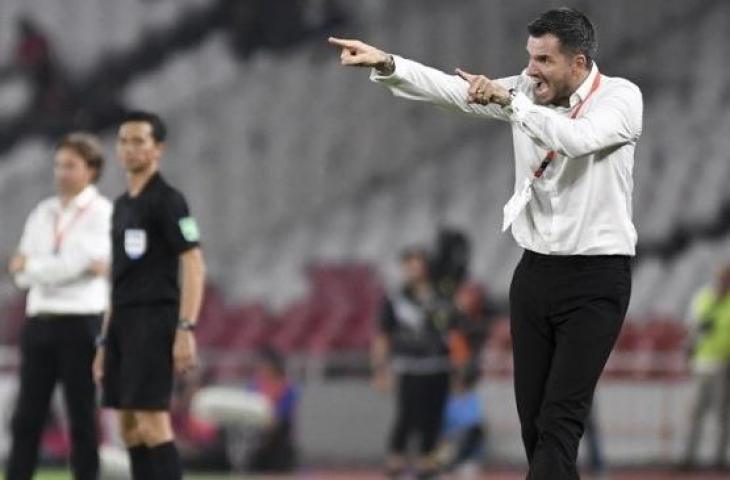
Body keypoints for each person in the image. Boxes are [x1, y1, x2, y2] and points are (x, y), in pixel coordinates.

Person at [330, 7, 642, 479]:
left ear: (578, 63)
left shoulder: (620, 98)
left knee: (561, 421)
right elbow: (454, 93)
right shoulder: (526, 90)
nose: (531, 70)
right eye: (529, 57)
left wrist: (514, 104)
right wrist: (388, 63)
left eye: (543, 60)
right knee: (535, 427)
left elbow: (580, 139)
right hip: (535, 273)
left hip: (597, 278)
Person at [93, 110, 206, 480]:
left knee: (153, 422)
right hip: (122, 323)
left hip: (153, 318)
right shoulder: (122, 206)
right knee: (128, 427)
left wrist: (185, 327)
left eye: (139, 141)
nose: (129, 148)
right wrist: (104, 341)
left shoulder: (169, 200)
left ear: (158, 148)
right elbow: (118, 278)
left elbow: (193, 264)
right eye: (123, 141)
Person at [6, 132, 112, 480]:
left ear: (91, 169)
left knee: (81, 416)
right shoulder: (43, 212)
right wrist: (64, 268)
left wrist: (37, 268)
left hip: (81, 322)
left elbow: (77, 264)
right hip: (39, 323)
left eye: (70, 165)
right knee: (26, 417)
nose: (61, 173)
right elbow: (18, 273)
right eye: (58, 165)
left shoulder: (103, 213)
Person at [373, 247, 456, 479]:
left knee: (434, 417)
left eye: (417, 264)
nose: (413, 270)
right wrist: (381, 370)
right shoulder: (395, 300)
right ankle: (396, 461)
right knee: (407, 416)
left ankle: (427, 463)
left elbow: (454, 328)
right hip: (409, 366)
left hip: (438, 365)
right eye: (408, 265)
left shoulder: (441, 296)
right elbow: (383, 336)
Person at [680, 265, 730, 471]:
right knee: (695, 415)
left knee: (721, 416)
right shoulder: (702, 298)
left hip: (723, 366)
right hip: (701, 365)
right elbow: (691, 328)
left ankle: (718, 459)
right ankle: (688, 457)